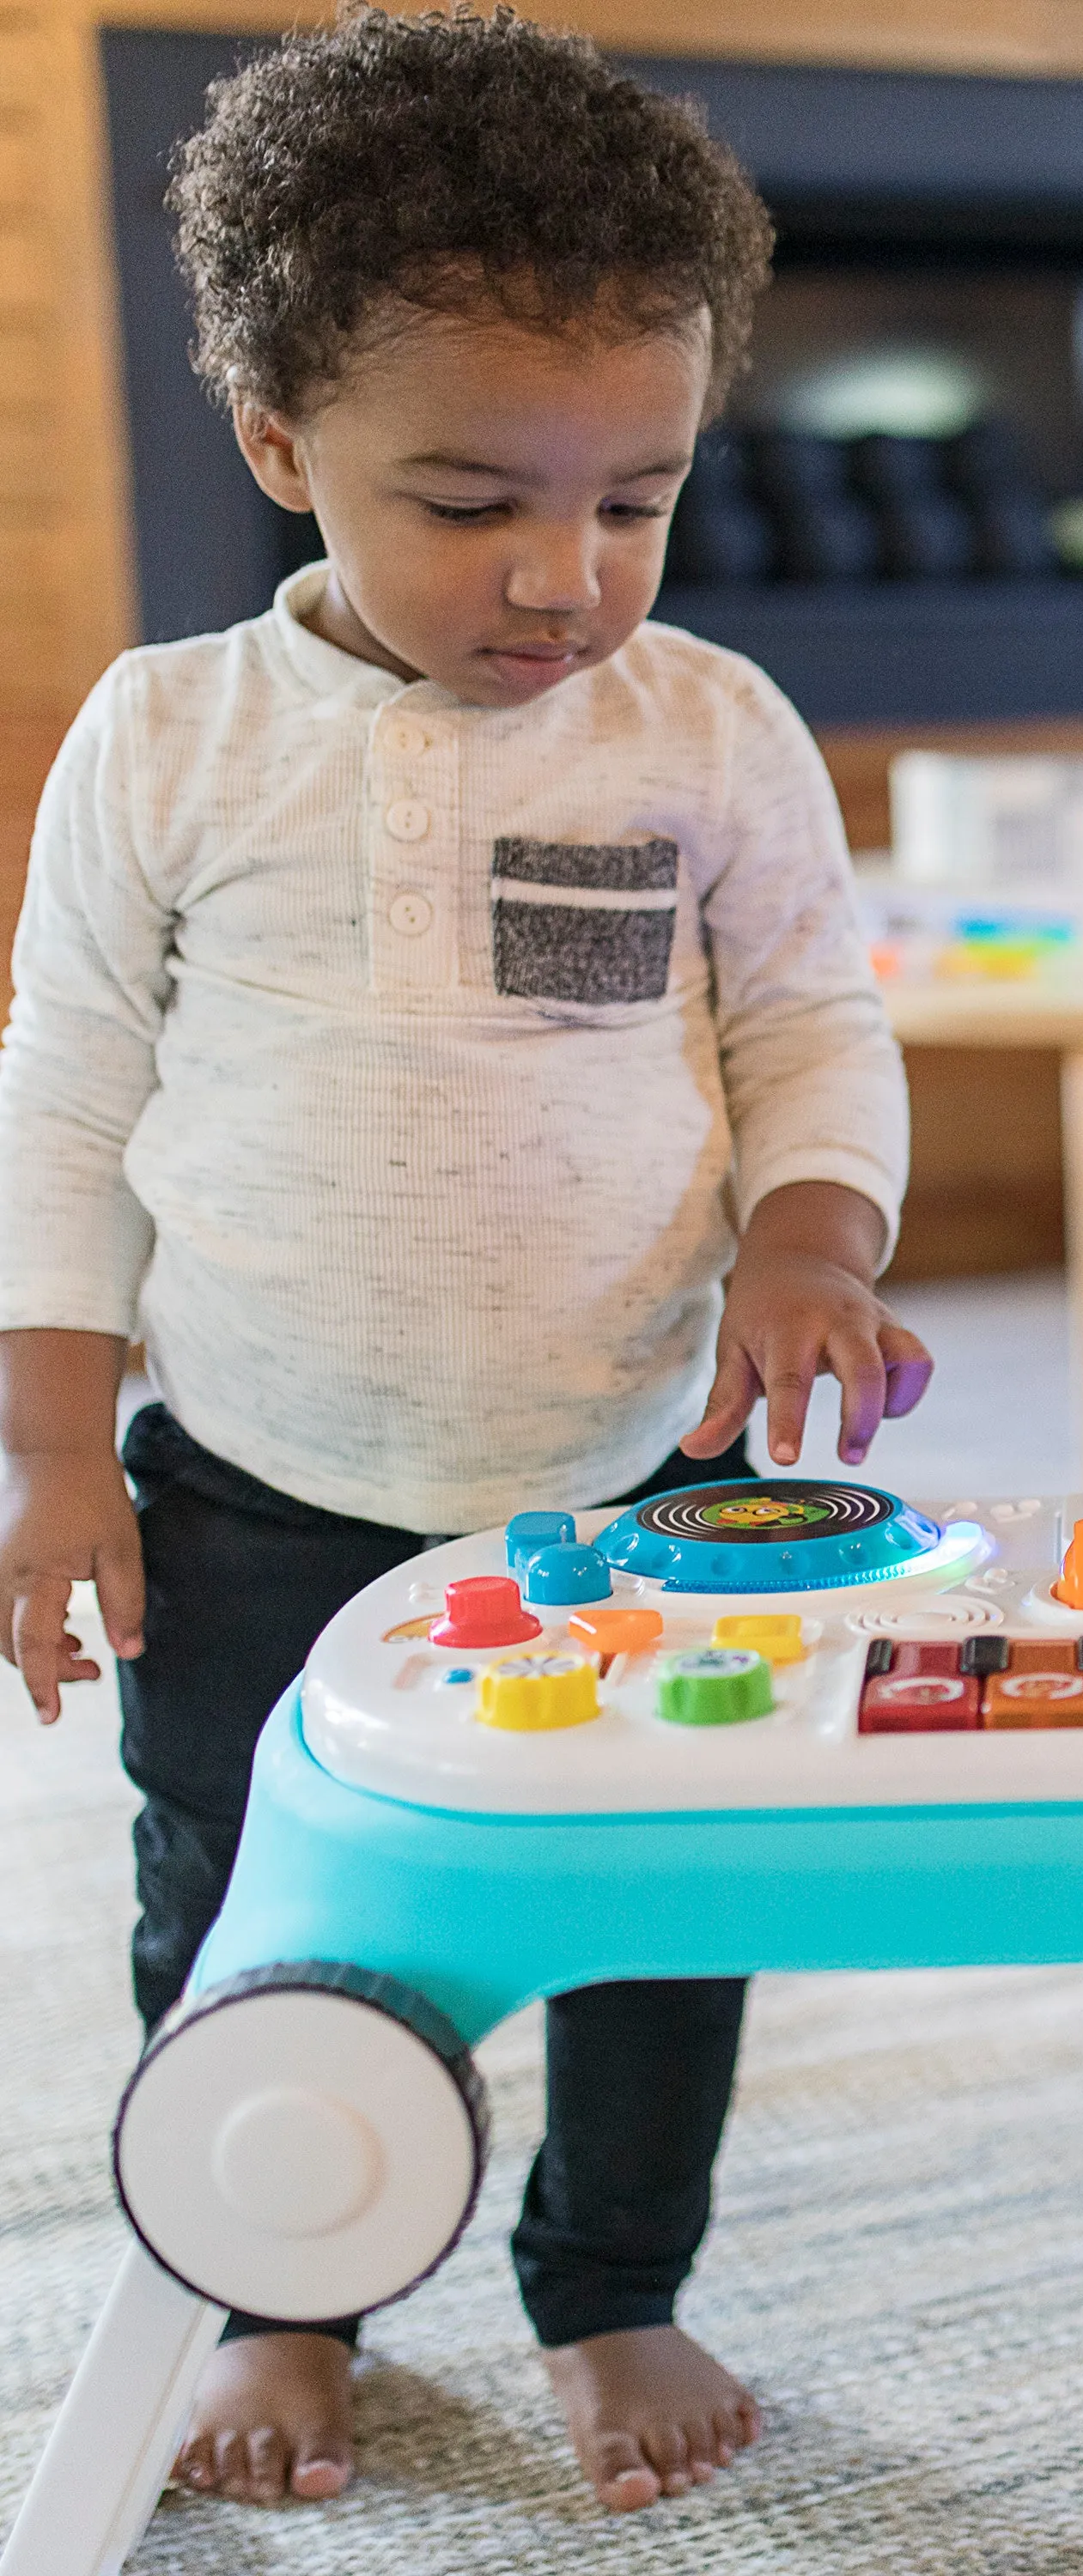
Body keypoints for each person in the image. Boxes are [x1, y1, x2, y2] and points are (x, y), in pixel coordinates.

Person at [0, 4, 930, 2520]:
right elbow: (67, 1095)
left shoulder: (709, 728)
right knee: (254, 1913)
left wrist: (811, 1246)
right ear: (283, 446)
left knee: (651, 1909)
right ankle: (279, 2292)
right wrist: (55, 1460)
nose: (565, 576)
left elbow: (820, 1026)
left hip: (633, 1479)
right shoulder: (168, 741)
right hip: (261, 1477)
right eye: (471, 502)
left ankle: (613, 2283)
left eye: (637, 497)